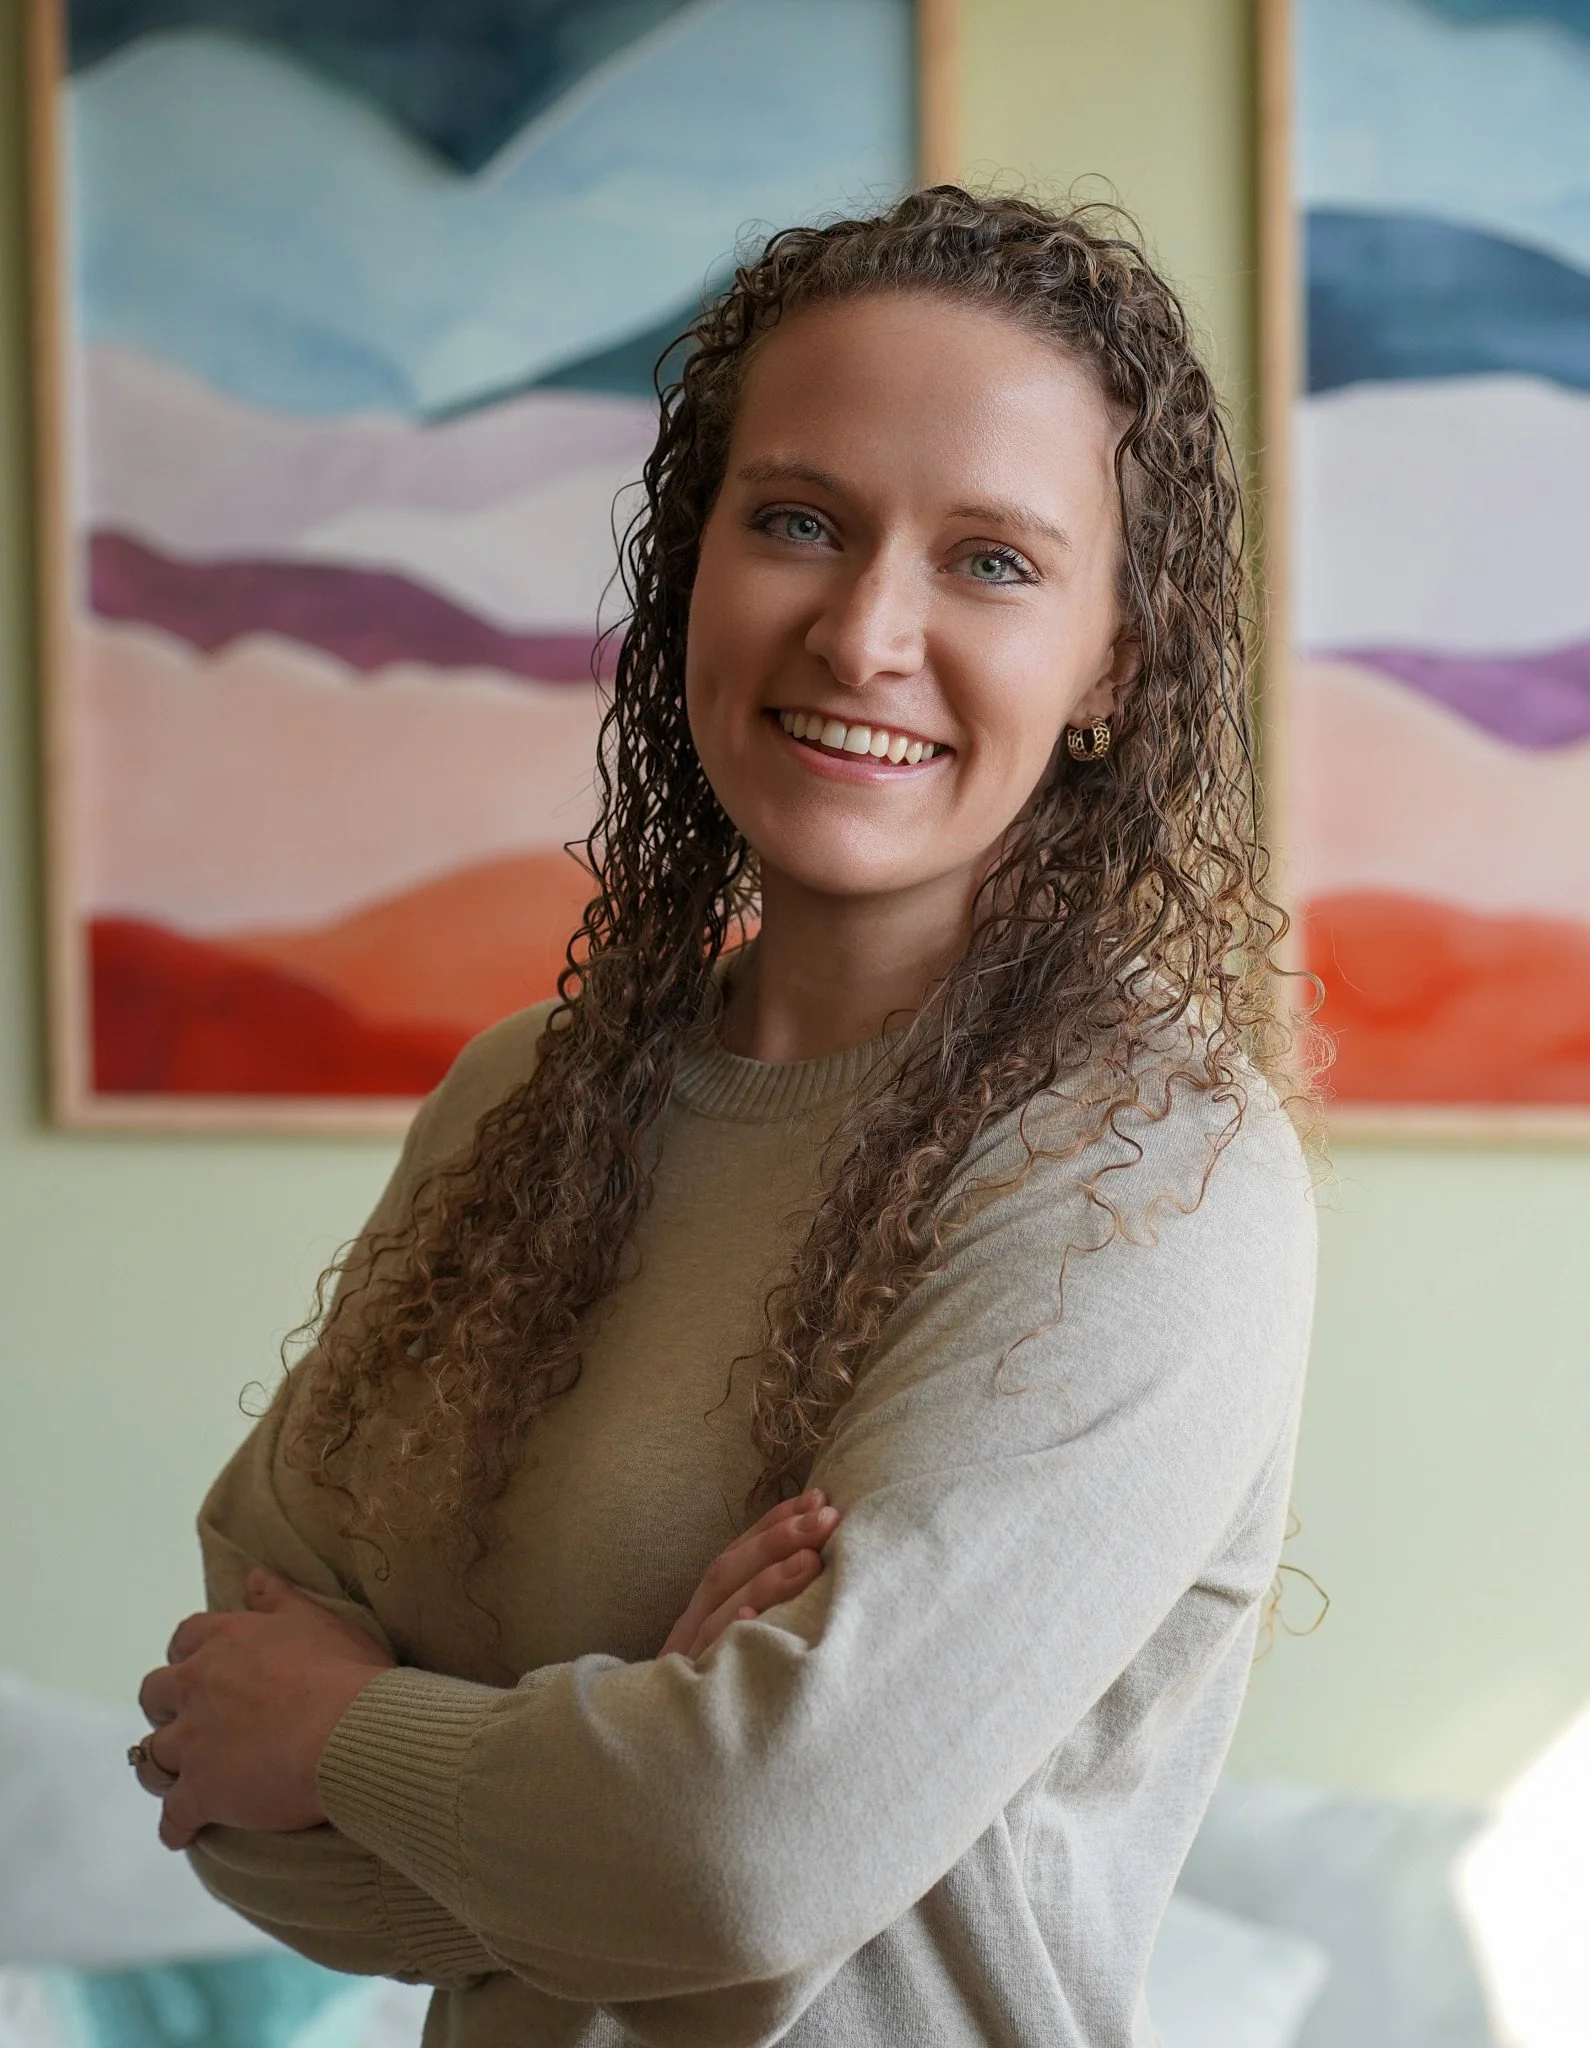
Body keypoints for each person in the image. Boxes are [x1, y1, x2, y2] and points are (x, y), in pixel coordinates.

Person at [129, 186, 1317, 2047]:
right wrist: (612, 1787)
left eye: (990, 561)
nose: (863, 633)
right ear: (694, 562)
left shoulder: (1147, 1173)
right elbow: (221, 1763)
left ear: (1114, 661)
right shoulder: (522, 1096)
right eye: (796, 523)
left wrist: (362, 1736)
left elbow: (734, 1863)